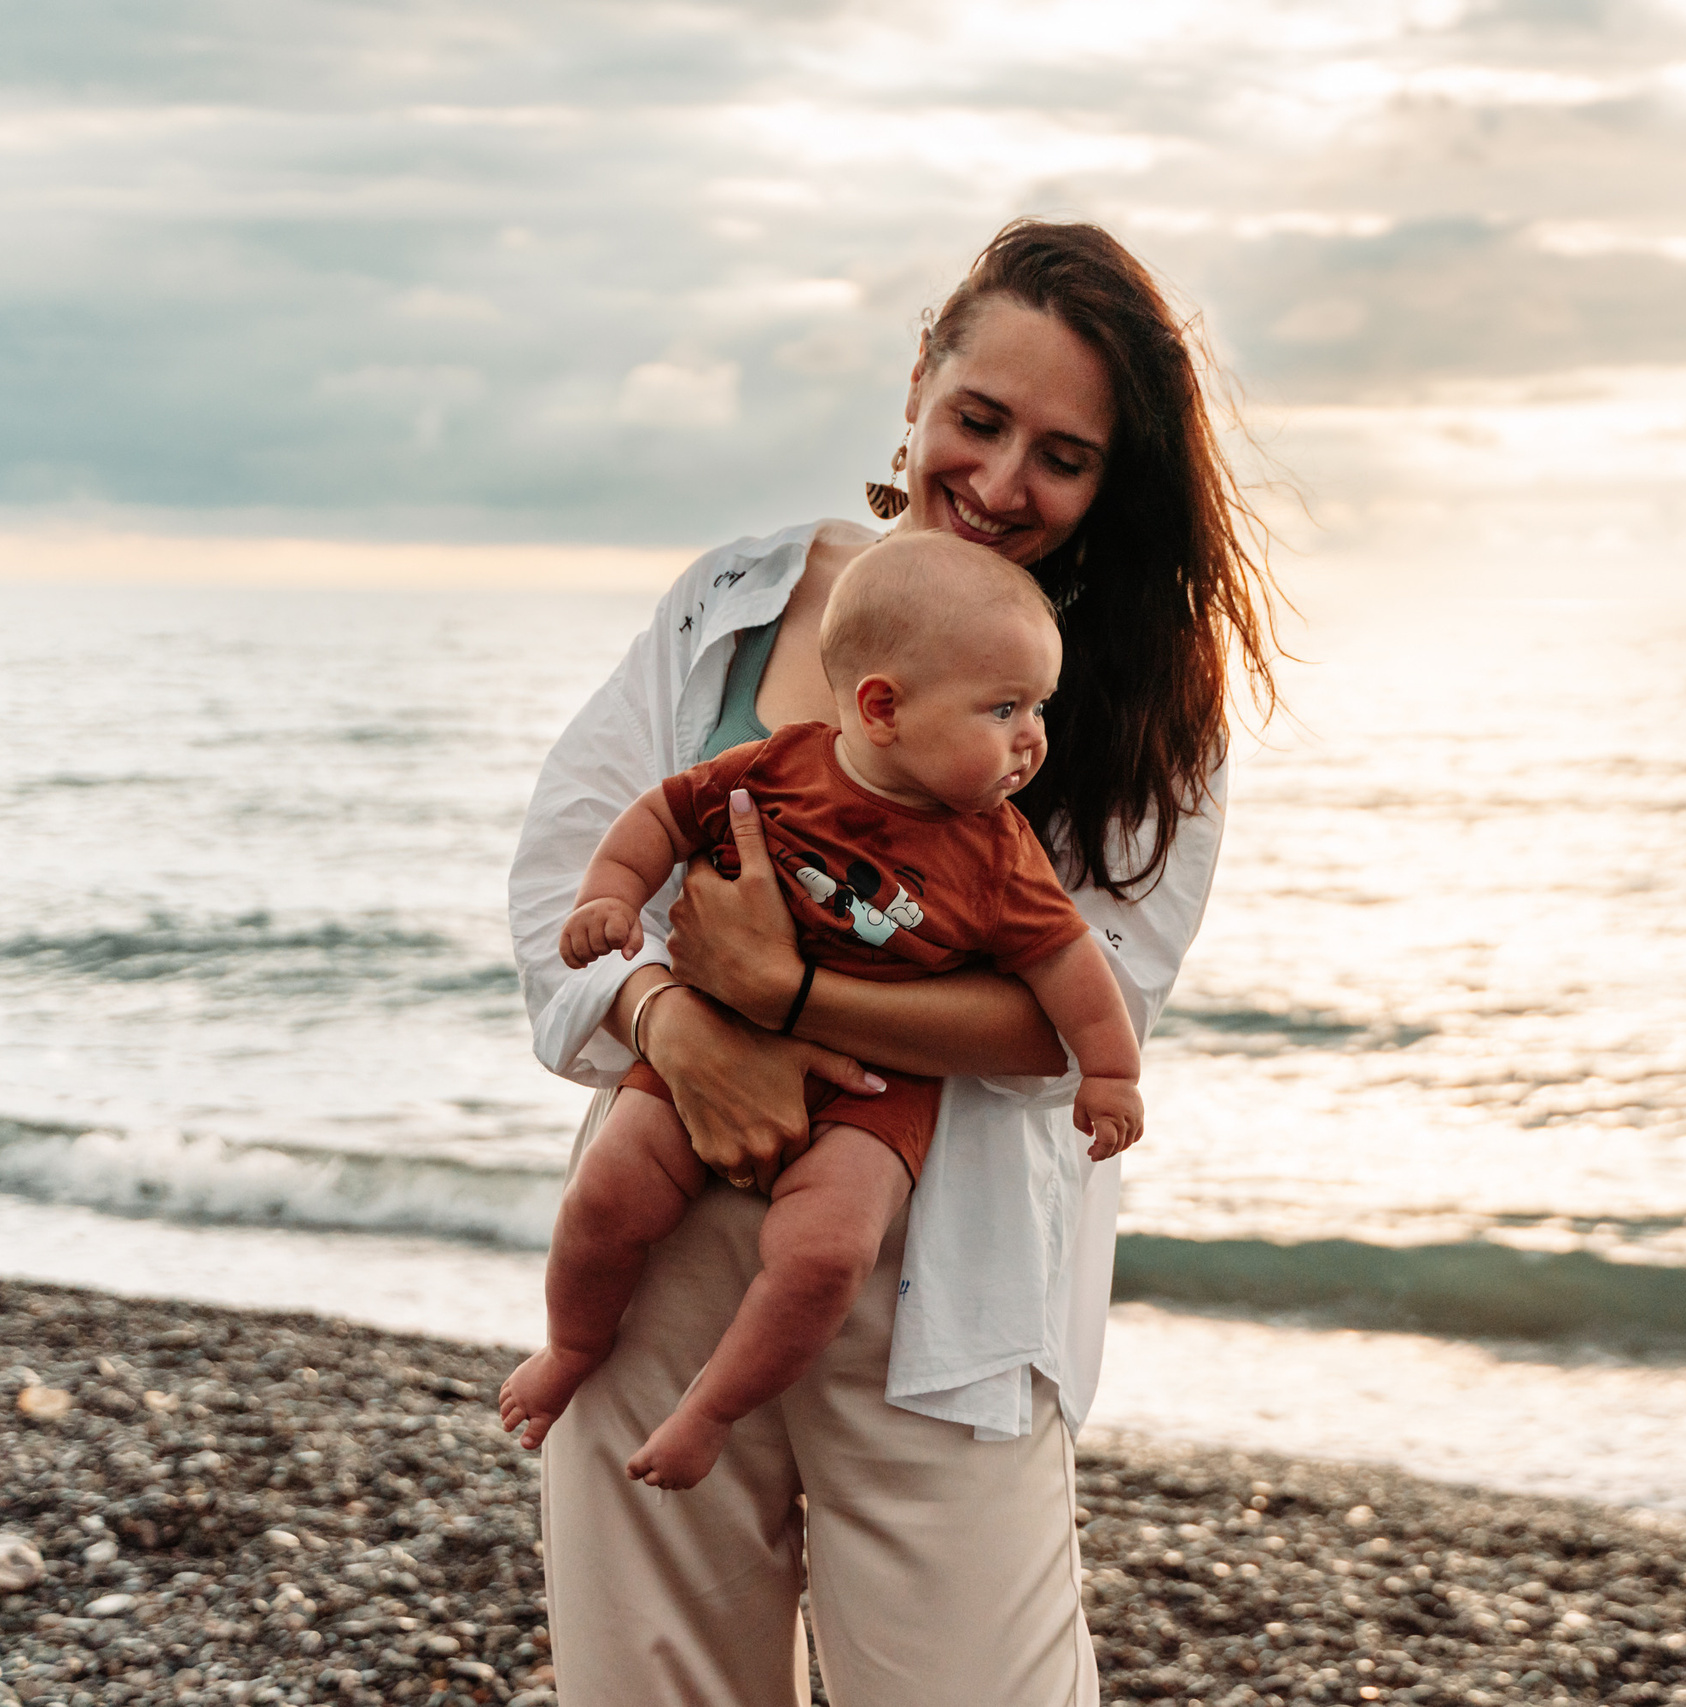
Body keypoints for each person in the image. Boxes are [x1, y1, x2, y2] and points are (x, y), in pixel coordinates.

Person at [508, 218, 1283, 1704]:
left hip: (948, 1291)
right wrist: (675, 1019)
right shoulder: (732, 603)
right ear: (920, 378)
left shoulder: (1129, 705)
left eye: (1063, 455)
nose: (1000, 482)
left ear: (1113, 481)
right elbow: (561, 878)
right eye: (979, 419)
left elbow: (1079, 1011)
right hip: (664, 1235)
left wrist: (785, 993)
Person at [498, 532, 1146, 1492]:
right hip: (716, 1044)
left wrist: (1111, 1070)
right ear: (883, 707)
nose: (1032, 738)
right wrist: (612, 896)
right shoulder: (782, 767)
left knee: (826, 1254)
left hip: (874, 1091)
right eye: (1005, 709)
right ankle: (570, 1346)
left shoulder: (997, 852)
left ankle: (711, 1408)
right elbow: (660, 815)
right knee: (605, 1193)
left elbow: (1069, 966)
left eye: (1037, 708)